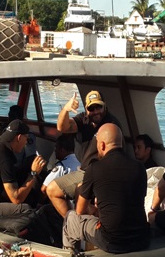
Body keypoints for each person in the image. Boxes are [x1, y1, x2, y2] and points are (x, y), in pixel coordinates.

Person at [63, 124, 150, 253]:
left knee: (70, 218)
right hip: (141, 239)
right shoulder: (140, 167)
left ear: (102, 145)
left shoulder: (94, 169)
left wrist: (95, 210)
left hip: (113, 242)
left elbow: (80, 211)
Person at [45, 89, 123, 217]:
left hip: (103, 171)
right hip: (84, 170)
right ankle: (73, 223)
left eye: (99, 107)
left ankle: (87, 220)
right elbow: (62, 127)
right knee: (52, 190)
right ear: (87, 110)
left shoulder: (111, 125)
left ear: (105, 106)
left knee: (80, 191)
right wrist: (66, 110)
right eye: (92, 108)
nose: (96, 111)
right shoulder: (83, 119)